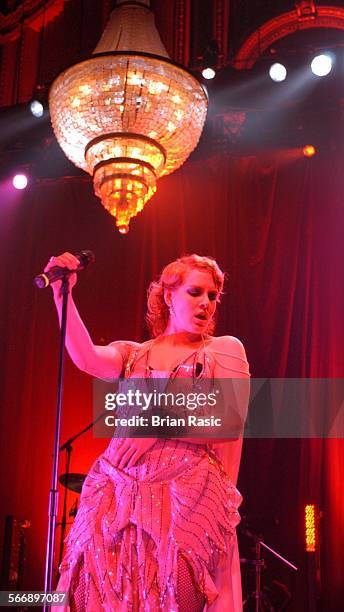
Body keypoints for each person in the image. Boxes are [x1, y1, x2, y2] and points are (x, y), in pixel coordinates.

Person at [47, 252, 250, 612]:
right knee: (88, 590)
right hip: (117, 491)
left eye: (213, 296)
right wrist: (63, 296)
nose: (206, 302)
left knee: (178, 591)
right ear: (169, 296)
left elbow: (230, 421)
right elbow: (86, 358)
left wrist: (155, 426)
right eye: (195, 292)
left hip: (185, 496)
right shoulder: (134, 354)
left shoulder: (223, 350)